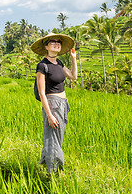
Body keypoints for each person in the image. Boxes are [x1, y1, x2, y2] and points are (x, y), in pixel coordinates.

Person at [31, 32, 77, 173]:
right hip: (52, 104)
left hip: (63, 104)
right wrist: (49, 115)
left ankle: (47, 167)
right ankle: (56, 172)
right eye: (53, 42)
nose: (57, 44)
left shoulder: (59, 63)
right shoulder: (42, 66)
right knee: (53, 140)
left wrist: (73, 59)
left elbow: (73, 76)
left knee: (57, 138)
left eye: (58, 42)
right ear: (46, 46)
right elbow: (42, 93)